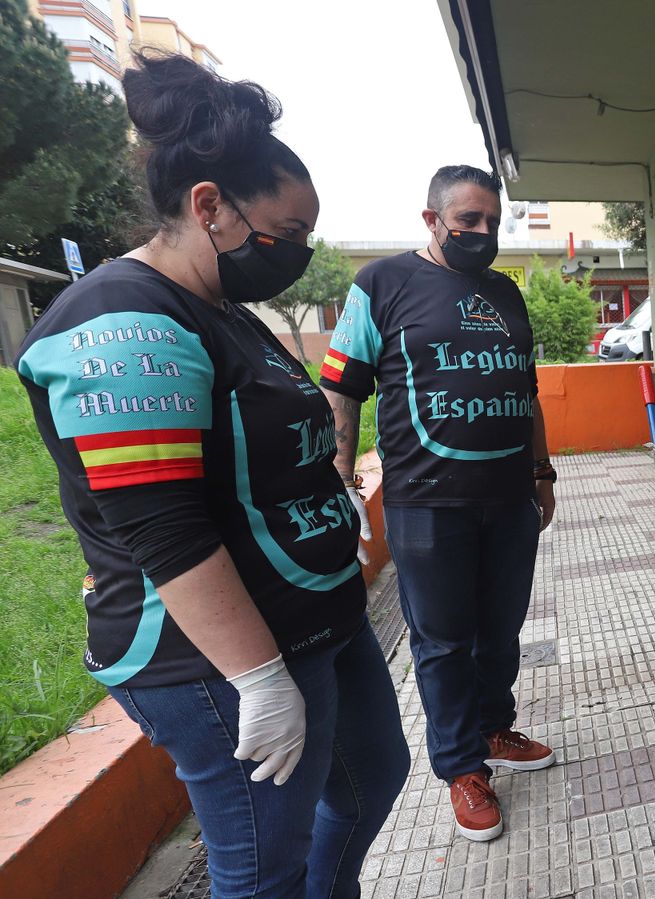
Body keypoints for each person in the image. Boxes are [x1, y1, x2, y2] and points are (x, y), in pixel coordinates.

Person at [15, 52, 408, 899]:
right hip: (217, 655)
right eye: (288, 232)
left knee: (371, 778)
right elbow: (164, 525)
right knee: (264, 869)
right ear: (209, 206)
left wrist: (330, 500)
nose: (299, 251)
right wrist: (258, 678)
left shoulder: (226, 312)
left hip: (313, 614)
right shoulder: (121, 321)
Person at [319, 165, 557, 843]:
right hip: (426, 504)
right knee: (443, 641)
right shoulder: (381, 284)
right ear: (432, 220)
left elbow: (528, 392)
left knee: (501, 629)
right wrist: (341, 483)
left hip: (508, 498)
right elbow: (342, 388)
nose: (482, 232)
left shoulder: (505, 292)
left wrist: (542, 472)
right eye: (467, 220)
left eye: (492, 221)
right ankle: (461, 766)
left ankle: (493, 728)